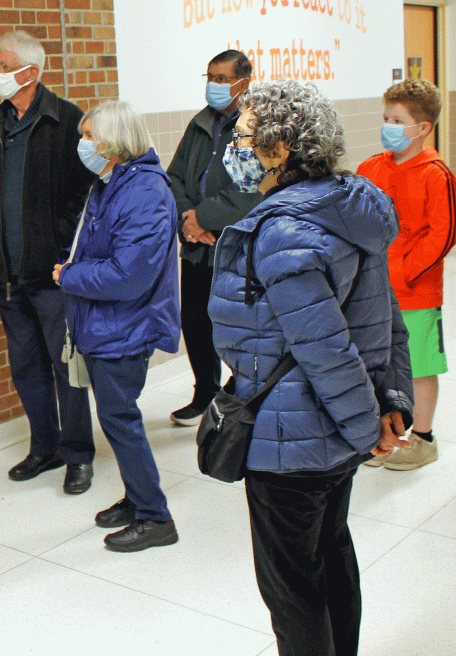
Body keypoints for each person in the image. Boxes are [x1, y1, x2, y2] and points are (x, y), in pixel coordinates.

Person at [209, 79, 414, 656]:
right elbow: (385, 320)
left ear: (280, 148)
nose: (235, 147)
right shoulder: (351, 206)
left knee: (293, 590)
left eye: (245, 136)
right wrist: (390, 403)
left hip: (291, 445)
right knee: (331, 561)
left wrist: (365, 428)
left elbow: (328, 352)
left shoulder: (284, 233)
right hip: (336, 440)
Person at [0, 30, 95, 494]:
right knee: (26, 366)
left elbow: (86, 192)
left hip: (54, 273)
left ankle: (79, 454)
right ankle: (44, 446)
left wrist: (61, 243)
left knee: (67, 367)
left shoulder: (68, 122)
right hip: (7, 274)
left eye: (3, 66)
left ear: (31, 72)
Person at [54, 101, 180, 552]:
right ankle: (137, 497)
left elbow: (130, 275)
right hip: (106, 322)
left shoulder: (143, 192)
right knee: (116, 419)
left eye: (89, 137)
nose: (82, 145)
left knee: (120, 420)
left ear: (113, 144)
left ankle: (155, 517)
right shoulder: (111, 184)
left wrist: (70, 277)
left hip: (126, 325)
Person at [357, 78, 456, 470]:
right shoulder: (370, 168)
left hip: (415, 291)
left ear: (423, 128)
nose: (389, 127)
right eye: (386, 118)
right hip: (371, 288)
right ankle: (380, 434)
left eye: (397, 120)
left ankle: (423, 438)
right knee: (373, 361)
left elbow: (443, 234)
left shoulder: (436, 174)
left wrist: (403, 272)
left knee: (417, 365)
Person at [166, 50, 262, 426]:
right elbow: (173, 177)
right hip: (195, 248)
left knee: (236, 324)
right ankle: (204, 391)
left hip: (234, 247)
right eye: (210, 77)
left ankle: (243, 397)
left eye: (223, 79)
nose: (215, 86)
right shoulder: (200, 123)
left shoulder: (258, 125)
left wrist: (202, 217)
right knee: (195, 319)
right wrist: (187, 221)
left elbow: (252, 189)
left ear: (244, 81)